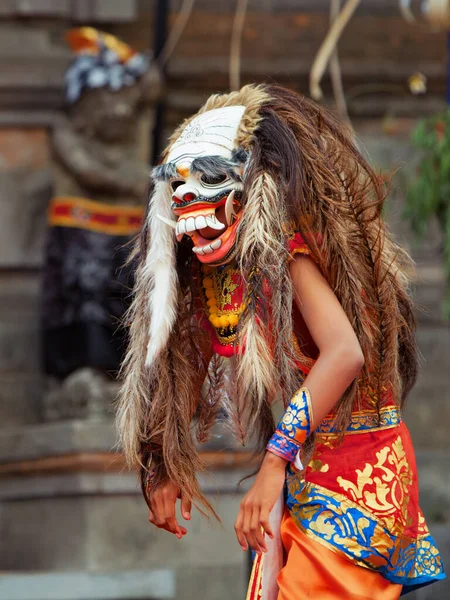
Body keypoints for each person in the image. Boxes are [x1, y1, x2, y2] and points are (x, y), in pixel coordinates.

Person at [116, 84, 445, 599]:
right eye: (178, 191)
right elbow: (191, 365)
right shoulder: (216, 274)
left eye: (208, 183)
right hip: (302, 473)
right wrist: (162, 462)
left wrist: (273, 462)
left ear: (247, 192)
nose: (189, 206)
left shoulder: (288, 256)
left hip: (361, 470)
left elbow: (345, 353)